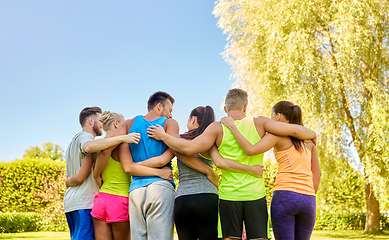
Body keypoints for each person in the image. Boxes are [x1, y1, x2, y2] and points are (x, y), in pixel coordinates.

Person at [147, 88, 317, 240]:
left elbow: (189, 148)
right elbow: (294, 130)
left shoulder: (217, 128)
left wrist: (163, 136)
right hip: (255, 195)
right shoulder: (260, 123)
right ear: (245, 107)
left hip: (229, 196)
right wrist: (313, 134)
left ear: (226, 109)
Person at [93, 92, 218, 240]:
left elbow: (108, 151)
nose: (171, 115)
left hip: (136, 191)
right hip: (160, 188)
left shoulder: (128, 124)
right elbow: (177, 152)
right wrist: (208, 170)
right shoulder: (169, 124)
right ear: (159, 106)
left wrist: (96, 174)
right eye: (169, 110)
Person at [138, 106, 264, 240]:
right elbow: (220, 162)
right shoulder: (211, 142)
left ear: (193, 119)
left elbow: (162, 160)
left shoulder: (177, 142)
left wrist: (136, 165)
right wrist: (209, 171)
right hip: (207, 197)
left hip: (183, 199)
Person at [221, 101, 321, 240]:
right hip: (308, 199)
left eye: (271, 115)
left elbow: (250, 150)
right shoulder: (309, 141)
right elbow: (317, 173)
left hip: (285, 195)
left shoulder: (275, 135)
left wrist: (232, 126)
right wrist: (308, 196)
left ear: (278, 116)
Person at [64, 107, 140, 240]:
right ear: (117, 124)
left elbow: (95, 175)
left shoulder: (96, 147)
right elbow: (130, 167)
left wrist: (67, 181)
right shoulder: (120, 144)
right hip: (119, 200)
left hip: (100, 202)